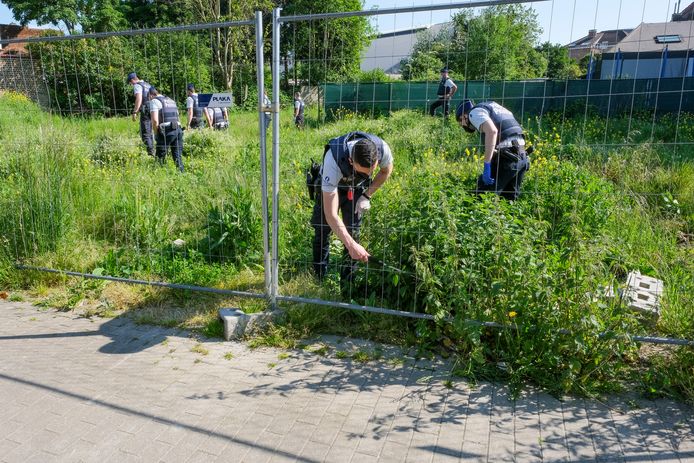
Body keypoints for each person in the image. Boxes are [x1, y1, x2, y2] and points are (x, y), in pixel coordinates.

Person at [311, 131, 394, 282]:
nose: (368, 176)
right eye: (362, 173)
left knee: (353, 232)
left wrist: (366, 195)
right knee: (322, 230)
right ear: (350, 161)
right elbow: (331, 215)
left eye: (371, 172)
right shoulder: (333, 160)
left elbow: (386, 170)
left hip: (356, 189)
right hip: (332, 187)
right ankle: (319, 276)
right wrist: (350, 245)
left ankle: (348, 284)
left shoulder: (382, 148)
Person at [455, 99, 530, 200]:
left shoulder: (473, 112)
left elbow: (492, 131)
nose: (462, 125)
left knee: (483, 196)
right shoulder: (494, 107)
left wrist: (487, 164)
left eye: (460, 121)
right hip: (522, 155)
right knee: (508, 201)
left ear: (464, 115)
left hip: (507, 158)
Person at [148, 87, 184, 172]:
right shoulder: (171, 100)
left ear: (151, 95)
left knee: (160, 156)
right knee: (177, 155)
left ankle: (159, 174)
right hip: (178, 129)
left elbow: (155, 120)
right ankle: (181, 173)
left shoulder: (154, 101)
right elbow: (178, 116)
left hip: (166, 130)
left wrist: (156, 133)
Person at [127, 72, 154, 156]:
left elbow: (139, 98)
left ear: (132, 80)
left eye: (130, 83)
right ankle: (153, 149)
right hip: (153, 108)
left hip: (145, 109)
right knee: (151, 131)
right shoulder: (147, 84)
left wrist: (135, 111)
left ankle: (151, 153)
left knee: (145, 132)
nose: (131, 85)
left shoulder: (137, 85)